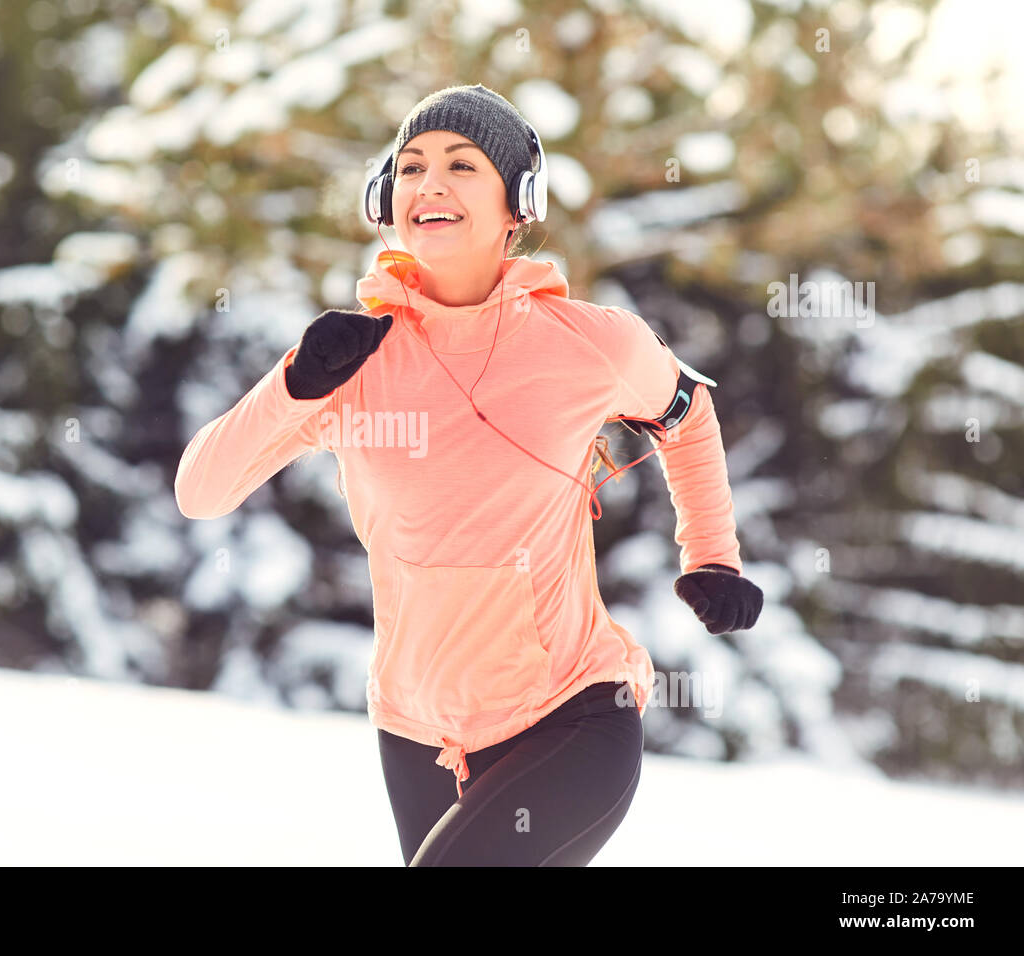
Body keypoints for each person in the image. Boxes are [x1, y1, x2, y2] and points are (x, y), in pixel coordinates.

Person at [174, 83, 764, 866]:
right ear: (387, 198)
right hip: (415, 730)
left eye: (462, 164)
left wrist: (713, 554)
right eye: (411, 167)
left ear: (518, 204)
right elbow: (202, 491)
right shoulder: (352, 361)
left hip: (572, 714)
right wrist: (293, 384)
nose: (432, 184)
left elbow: (687, 413)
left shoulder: (589, 344)